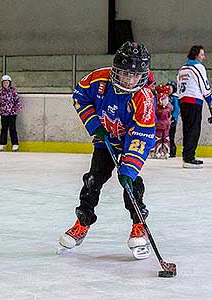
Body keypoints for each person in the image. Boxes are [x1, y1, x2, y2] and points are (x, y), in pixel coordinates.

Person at [59, 41, 155, 259]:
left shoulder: (145, 98)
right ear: (115, 71)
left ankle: (139, 224)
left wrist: (128, 169)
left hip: (131, 140)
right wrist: (95, 127)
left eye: (135, 75)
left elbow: (142, 136)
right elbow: (79, 97)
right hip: (105, 138)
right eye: (124, 74)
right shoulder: (98, 79)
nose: (129, 80)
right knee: (93, 179)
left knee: (130, 183)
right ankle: (82, 222)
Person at [177, 45, 212, 168]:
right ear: (196, 55)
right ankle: (190, 156)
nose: (204, 57)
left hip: (183, 101)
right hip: (194, 101)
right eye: (202, 54)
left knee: (187, 129)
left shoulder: (182, 69)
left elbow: (179, 86)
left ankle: (186, 155)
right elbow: (203, 83)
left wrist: (179, 102)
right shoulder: (198, 67)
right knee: (194, 129)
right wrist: (209, 99)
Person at [0, 75, 22, 152]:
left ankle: (15, 144)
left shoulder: (13, 91)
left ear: (9, 83)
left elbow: (17, 100)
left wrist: (18, 108)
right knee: (4, 129)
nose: (5, 84)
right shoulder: (0, 92)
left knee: (12, 129)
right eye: (4, 83)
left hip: (12, 113)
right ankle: (2, 143)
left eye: (7, 82)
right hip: (3, 113)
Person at [152, 82, 176, 159]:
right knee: (158, 138)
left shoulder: (169, 106)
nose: (164, 101)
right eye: (162, 99)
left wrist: (173, 118)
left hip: (166, 126)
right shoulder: (156, 108)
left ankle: (166, 151)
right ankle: (157, 151)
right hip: (158, 125)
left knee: (166, 138)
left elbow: (173, 111)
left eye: (166, 99)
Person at [167, 81, 179, 157]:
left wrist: (174, 118)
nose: (168, 90)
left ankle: (172, 151)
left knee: (171, 136)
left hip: (172, 121)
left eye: (170, 88)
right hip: (164, 121)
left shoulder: (174, 98)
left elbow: (176, 109)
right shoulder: (164, 97)